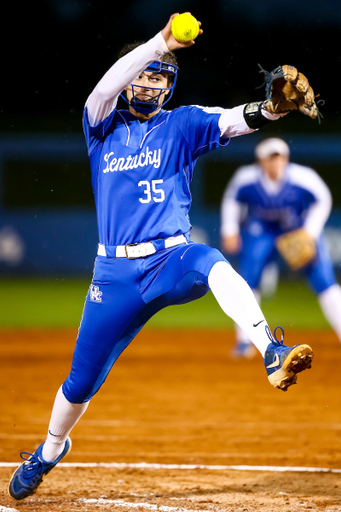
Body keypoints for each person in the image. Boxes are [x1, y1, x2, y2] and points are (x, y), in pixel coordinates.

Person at [9, 14, 314, 500]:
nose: (149, 81)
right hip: (113, 274)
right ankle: (49, 450)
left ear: (170, 85)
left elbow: (236, 118)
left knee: (211, 259)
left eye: (158, 75)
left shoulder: (183, 124)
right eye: (144, 73)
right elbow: (107, 82)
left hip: (171, 260)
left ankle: (270, 349)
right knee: (80, 383)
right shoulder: (101, 123)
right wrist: (161, 43)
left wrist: (273, 110)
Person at [221, 136, 341, 358]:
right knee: (247, 282)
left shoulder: (303, 176)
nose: (275, 163)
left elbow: (323, 199)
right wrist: (230, 229)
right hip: (261, 231)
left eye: (279, 158)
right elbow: (231, 200)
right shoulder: (246, 177)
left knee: (324, 281)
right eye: (270, 158)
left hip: (296, 230)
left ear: (286, 159)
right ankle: (244, 342)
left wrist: (310, 232)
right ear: (261, 161)